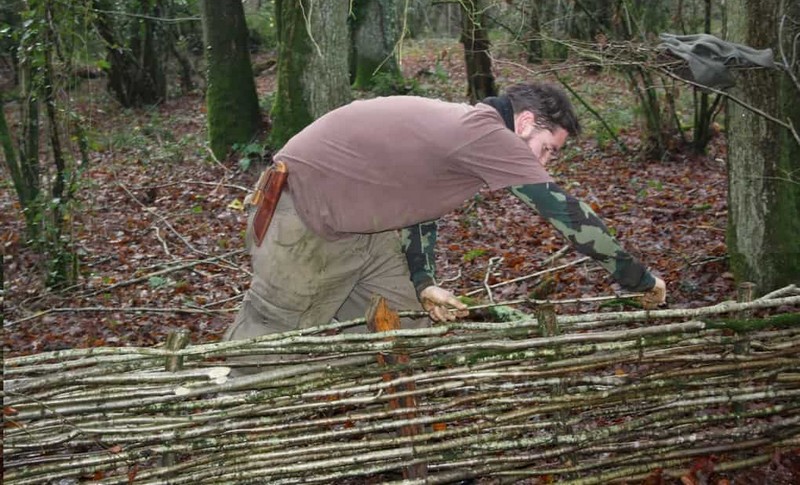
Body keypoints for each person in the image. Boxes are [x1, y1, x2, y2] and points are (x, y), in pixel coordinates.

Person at [224, 82, 667, 367]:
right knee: (268, 348)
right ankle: (217, 434)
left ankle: (409, 451)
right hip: (303, 222)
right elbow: (567, 215)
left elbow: (418, 202)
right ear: (526, 121)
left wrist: (423, 281)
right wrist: (638, 279)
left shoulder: (469, 133)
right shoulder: (485, 133)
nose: (545, 162)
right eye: (547, 148)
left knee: (407, 330)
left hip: (364, 232)